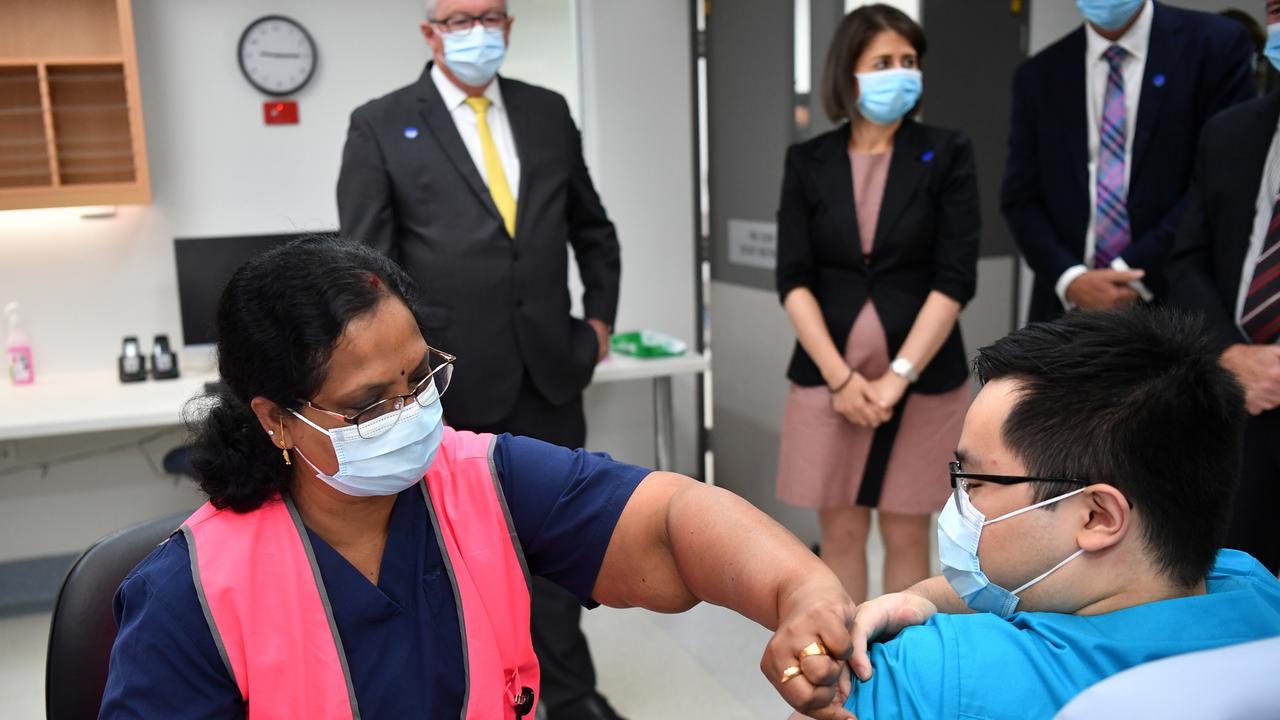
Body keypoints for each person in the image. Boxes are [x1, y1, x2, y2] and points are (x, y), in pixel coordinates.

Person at [98, 239, 862, 720]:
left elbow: (668, 523)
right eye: (369, 405)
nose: (411, 415)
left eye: (421, 376)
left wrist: (799, 591)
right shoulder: (194, 592)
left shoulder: (481, 479)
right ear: (274, 419)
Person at [335, 1, 622, 717]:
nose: (477, 30)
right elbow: (366, 270)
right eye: (459, 17)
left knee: (560, 546)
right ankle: (473, 693)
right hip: (446, 384)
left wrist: (598, 327)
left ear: (510, 25)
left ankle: (571, 695)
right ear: (430, 31)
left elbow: (594, 229)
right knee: (453, 553)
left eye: (490, 14)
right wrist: (401, 380)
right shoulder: (381, 122)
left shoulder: (548, 111)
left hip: (551, 372)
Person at [838, 307, 1280, 719]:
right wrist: (921, 598)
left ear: (1097, 517)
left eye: (974, 483)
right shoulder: (1251, 588)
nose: (958, 503)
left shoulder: (928, 672)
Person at [774, 4, 979, 603]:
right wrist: (840, 378)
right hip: (826, 377)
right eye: (883, 61)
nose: (899, 73)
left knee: (906, 529)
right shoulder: (808, 161)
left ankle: (898, 675)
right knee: (838, 529)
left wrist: (897, 379)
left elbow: (955, 278)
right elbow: (793, 279)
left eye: (909, 61)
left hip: (922, 378)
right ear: (849, 72)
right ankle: (846, 668)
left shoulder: (946, 152)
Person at [1002, 0, 1254, 324]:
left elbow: (1220, 180)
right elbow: (1021, 198)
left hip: (1177, 304)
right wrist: (1071, 279)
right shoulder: (1038, 75)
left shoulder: (1214, 46)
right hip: (1068, 308)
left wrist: (1127, 274)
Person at [1165, 0, 1280, 575]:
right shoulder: (1231, 133)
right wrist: (1231, 353)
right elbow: (1186, 260)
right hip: (1236, 416)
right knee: (1232, 585)